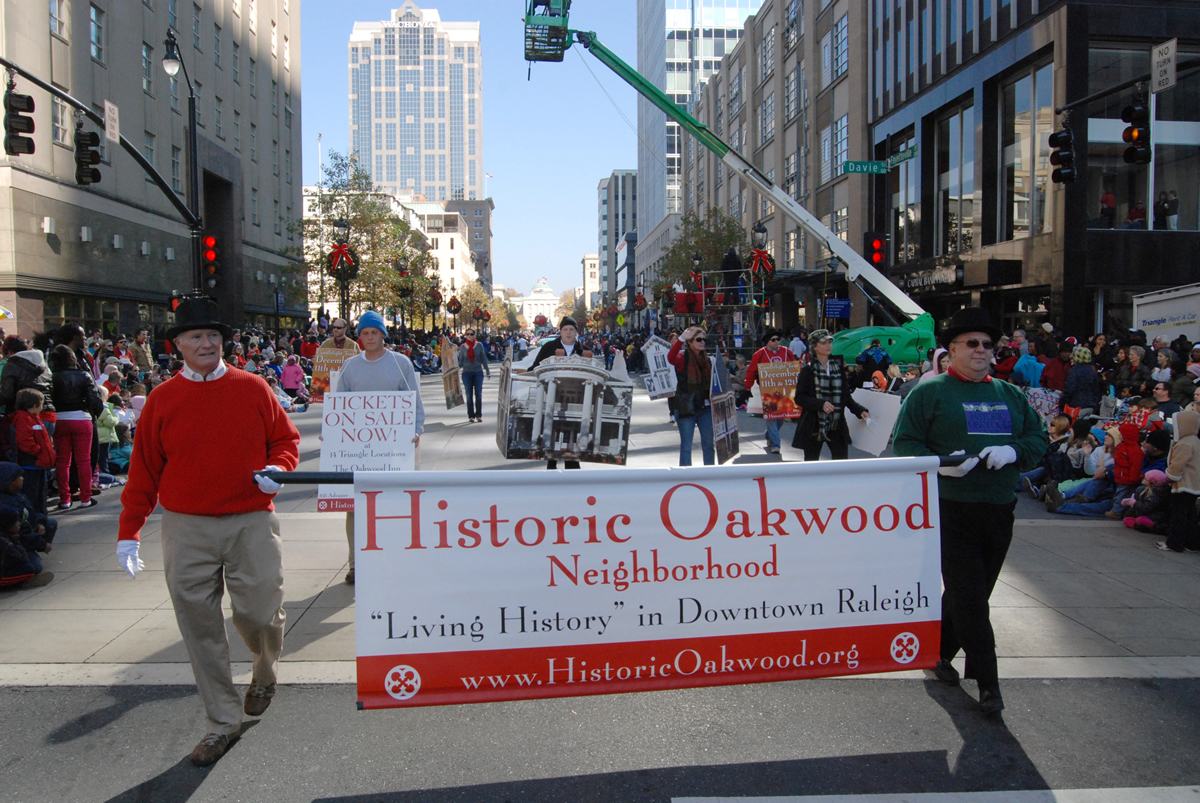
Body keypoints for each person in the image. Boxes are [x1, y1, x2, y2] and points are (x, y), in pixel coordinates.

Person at [115, 296, 300, 767]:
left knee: (260, 614)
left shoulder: (254, 388)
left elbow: (285, 440)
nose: (206, 343)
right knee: (198, 628)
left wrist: (278, 467)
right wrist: (128, 531)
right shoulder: (162, 399)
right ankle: (222, 722)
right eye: (196, 336)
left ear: (223, 342)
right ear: (177, 344)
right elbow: (142, 473)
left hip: (250, 521)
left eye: (213, 336)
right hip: (186, 526)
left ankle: (264, 671)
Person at [893, 307, 1048, 717]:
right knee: (972, 599)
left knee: (973, 594)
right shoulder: (929, 393)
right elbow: (904, 445)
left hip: (998, 509)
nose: (981, 351)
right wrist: (942, 462)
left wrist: (1014, 450)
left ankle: (940, 650)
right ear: (951, 350)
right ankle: (989, 684)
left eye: (987, 345)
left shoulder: (1011, 395)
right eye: (972, 344)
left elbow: (1038, 438)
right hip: (950, 510)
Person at [335, 310, 425, 585]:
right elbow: (339, 408)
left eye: (374, 332)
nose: (370, 337)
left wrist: (416, 431)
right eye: (364, 333)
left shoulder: (401, 364)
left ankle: (395, 557)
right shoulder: (350, 367)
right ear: (359, 337)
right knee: (355, 508)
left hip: (394, 449)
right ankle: (355, 564)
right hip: (357, 450)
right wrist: (332, 435)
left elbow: (414, 404)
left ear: (382, 335)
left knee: (395, 504)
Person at [792, 329, 869, 461]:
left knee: (841, 461)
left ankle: (840, 482)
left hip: (836, 422)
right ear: (815, 347)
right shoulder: (808, 370)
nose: (828, 345)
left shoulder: (838, 368)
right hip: (815, 423)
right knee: (811, 463)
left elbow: (845, 395)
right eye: (824, 343)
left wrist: (859, 410)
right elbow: (800, 397)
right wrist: (820, 404)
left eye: (829, 342)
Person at [531, 317, 593, 470]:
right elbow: (535, 368)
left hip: (576, 402)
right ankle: (551, 472)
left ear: (576, 332)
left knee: (572, 437)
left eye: (571, 329)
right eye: (565, 329)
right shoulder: (549, 348)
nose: (568, 333)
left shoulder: (583, 350)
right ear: (560, 331)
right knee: (552, 436)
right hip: (552, 399)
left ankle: (572, 472)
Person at [48, 345, 102, 511]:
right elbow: (95, 399)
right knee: (84, 459)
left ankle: (65, 499)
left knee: (63, 461)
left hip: (60, 418)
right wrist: (92, 416)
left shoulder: (52, 377)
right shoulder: (84, 375)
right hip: (81, 417)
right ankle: (85, 497)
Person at [667, 326, 715, 466]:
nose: (702, 342)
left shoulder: (708, 360)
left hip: (705, 408)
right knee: (686, 446)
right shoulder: (683, 358)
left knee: (708, 445)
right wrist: (681, 338)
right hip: (686, 408)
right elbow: (671, 358)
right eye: (698, 339)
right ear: (690, 342)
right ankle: (686, 476)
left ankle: (709, 473)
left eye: (703, 339)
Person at [744, 331, 798, 454]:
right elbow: (751, 371)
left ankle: (769, 434)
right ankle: (776, 445)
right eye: (773, 340)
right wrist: (747, 387)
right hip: (767, 389)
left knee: (781, 418)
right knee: (771, 416)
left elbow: (795, 368)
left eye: (777, 339)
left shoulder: (787, 352)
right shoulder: (759, 354)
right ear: (767, 342)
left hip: (784, 388)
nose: (776, 342)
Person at [1160, 410, 1200, 552]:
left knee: (1178, 515)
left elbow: (1178, 464)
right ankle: (1192, 542)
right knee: (1190, 514)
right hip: (1193, 484)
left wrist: (1170, 476)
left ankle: (1175, 543)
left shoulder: (1184, 444)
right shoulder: (1195, 440)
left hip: (1183, 483)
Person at [459, 327, 491, 423]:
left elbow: (483, 358)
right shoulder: (462, 347)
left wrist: (487, 370)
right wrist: (454, 370)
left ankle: (478, 415)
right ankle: (471, 416)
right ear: (465, 335)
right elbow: (461, 361)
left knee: (478, 394)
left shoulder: (479, 345)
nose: (469, 336)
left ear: (474, 335)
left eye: (471, 334)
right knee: (469, 395)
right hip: (466, 373)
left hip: (478, 372)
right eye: (467, 334)